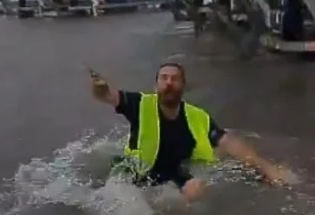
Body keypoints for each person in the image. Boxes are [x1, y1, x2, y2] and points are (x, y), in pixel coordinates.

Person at [88, 62, 292, 202]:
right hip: (134, 173)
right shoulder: (139, 104)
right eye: (164, 78)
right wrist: (101, 87)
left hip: (173, 173)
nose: (169, 83)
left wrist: (266, 168)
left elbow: (229, 142)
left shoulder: (198, 116)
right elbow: (108, 96)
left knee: (198, 192)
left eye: (174, 79)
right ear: (156, 84)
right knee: (127, 213)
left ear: (183, 86)